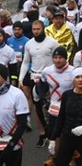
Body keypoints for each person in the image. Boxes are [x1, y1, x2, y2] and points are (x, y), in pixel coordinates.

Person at [18, 20, 59, 148]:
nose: (36, 31)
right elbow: (25, 62)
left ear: (43, 28)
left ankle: (55, 133)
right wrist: (21, 78)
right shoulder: (29, 44)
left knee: (53, 106)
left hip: (50, 77)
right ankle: (43, 133)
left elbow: (59, 59)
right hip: (35, 76)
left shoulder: (52, 42)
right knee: (38, 106)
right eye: (34, 29)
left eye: (38, 29)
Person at [38, 46, 74, 165]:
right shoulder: (47, 71)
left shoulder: (73, 71)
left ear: (66, 58)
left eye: (60, 58)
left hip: (69, 110)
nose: (58, 60)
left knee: (69, 139)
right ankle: (56, 158)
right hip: (53, 109)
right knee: (54, 136)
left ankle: (71, 161)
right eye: (55, 57)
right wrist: (43, 98)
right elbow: (41, 83)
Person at [0, 64, 29, 166]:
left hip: (11, 144)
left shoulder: (17, 94)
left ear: (4, 77)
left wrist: (10, 146)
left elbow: (23, 123)